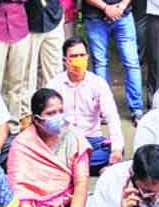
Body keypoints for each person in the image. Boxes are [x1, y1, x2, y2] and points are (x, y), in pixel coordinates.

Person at [8, 88, 91, 207]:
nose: (58, 117)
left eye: (61, 111)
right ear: (36, 120)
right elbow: (20, 196)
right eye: (51, 113)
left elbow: (81, 184)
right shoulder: (21, 145)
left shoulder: (74, 137)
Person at [47, 37, 124, 175]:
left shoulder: (98, 83)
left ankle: (68, 166)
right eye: (74, 56)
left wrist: (117, 149)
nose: (79, 59)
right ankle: (84, 166)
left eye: (82, 55)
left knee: (115, 148)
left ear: (87, 57)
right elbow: (47, 120)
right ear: (65, 61)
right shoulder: (54, 85)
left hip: (92, 142)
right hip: (65, 141)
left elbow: (112, 116)